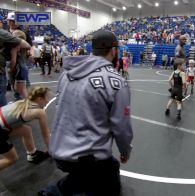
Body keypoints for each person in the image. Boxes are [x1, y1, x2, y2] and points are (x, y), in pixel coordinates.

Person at [48, 30, 133, 196]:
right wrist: (125, 151)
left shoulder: (66, 74)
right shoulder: (116, 82)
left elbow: (60, 107)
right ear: (114, 50)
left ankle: (58, 190)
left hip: (59, 148)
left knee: (83, 178)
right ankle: (54, 191)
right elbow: (121, 127)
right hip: (86, 157)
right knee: (109, 174)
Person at [0, 86, 51, 171]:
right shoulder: (39, 112)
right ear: (39, 99)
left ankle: (33, 155)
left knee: (26, 130)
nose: (48, 101)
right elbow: (45, 134)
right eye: (47, 98)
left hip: (2, 127)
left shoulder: (23, 102)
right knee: (12, 159)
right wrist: (51, 151)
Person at [12, 30, 30, 99]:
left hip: (20, 68)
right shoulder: (24, 45)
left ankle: (29, 106)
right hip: (23, 67)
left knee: (22, 90)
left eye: (13, 35)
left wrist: (11, 69)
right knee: (20, 89)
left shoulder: (17, 45)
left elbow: (13, 60)